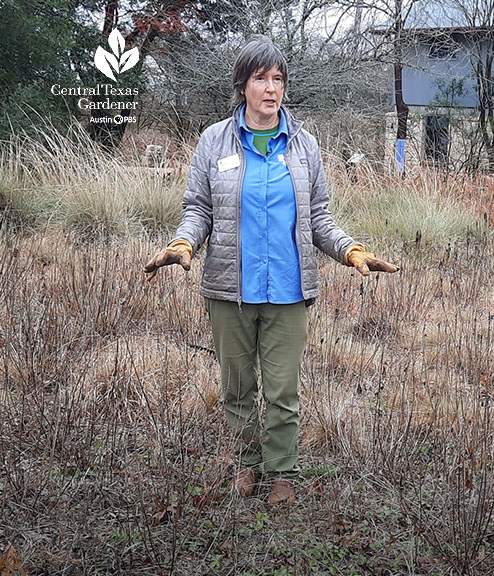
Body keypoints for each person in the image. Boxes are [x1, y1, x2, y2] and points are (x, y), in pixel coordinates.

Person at [143, 37, 398, 505]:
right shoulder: (213, 140)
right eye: (261, 78)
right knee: (236, 388)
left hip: (288, 289)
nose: (271, 88)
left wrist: (351, 251)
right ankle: (247, 466)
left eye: (278, 79)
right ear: (242, 85)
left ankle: (281, 472)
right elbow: (199, 208)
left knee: (282, 390)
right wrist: (183, 242)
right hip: (228, 288)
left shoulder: (305, 147)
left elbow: (319, 217)